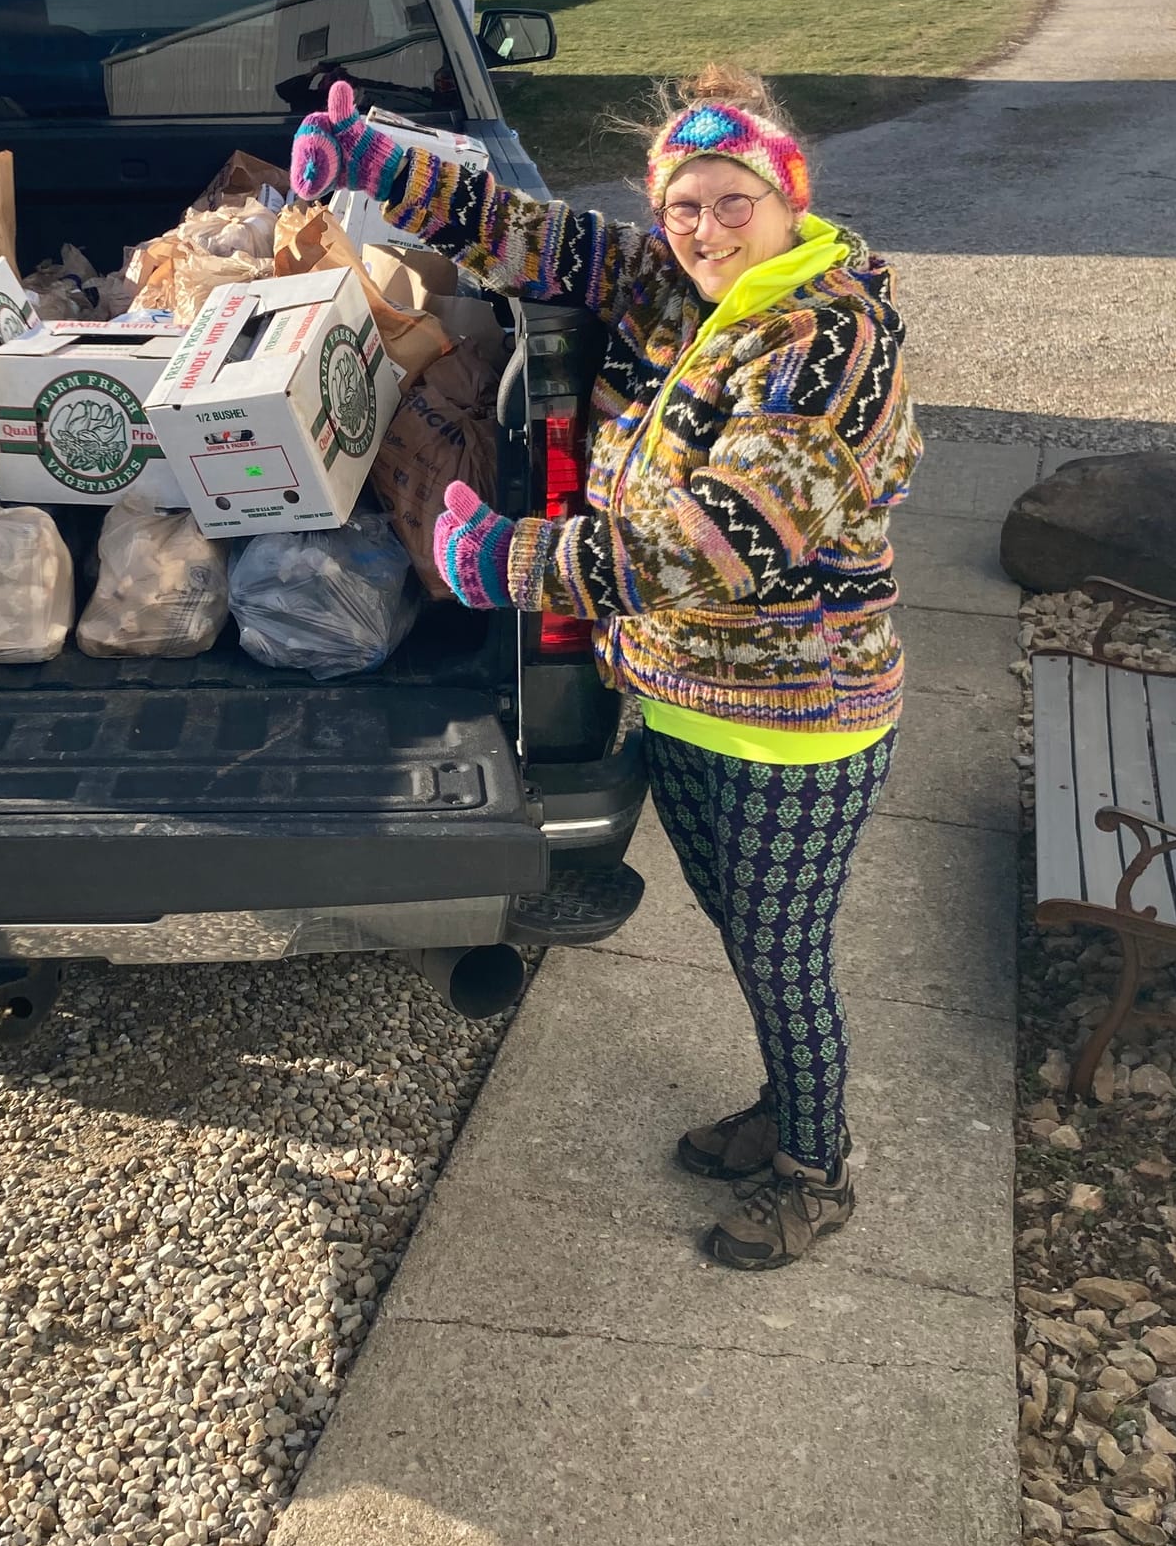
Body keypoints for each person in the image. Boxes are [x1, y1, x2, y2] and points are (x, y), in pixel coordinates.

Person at [290, 67, 920, 1271]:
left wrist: (506, 560)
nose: (704, 227)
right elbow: (537, 235)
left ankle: (815, 1167)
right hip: (682, 699)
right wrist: (379, 165)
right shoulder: (682, 289)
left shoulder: (824, 334)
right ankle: (785, 1111)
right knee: (747, 938)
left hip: (795, 724)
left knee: (783, 954)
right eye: (684, 204)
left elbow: (715, 545)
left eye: (732, 200)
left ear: (787, 199)